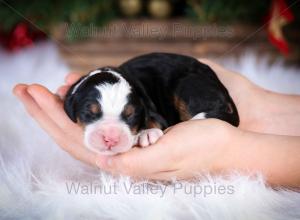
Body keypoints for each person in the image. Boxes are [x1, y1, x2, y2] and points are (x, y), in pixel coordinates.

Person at [13, 59, 300, 188]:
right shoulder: (76, 97)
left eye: (127, 118)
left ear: (138, 112)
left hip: (184, 78)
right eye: (92, 114)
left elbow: (153, 116)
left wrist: (223, 147)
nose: (111, 136)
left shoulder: (145, 103)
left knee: (190, 92)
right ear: (73, 107)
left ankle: (210, 118)